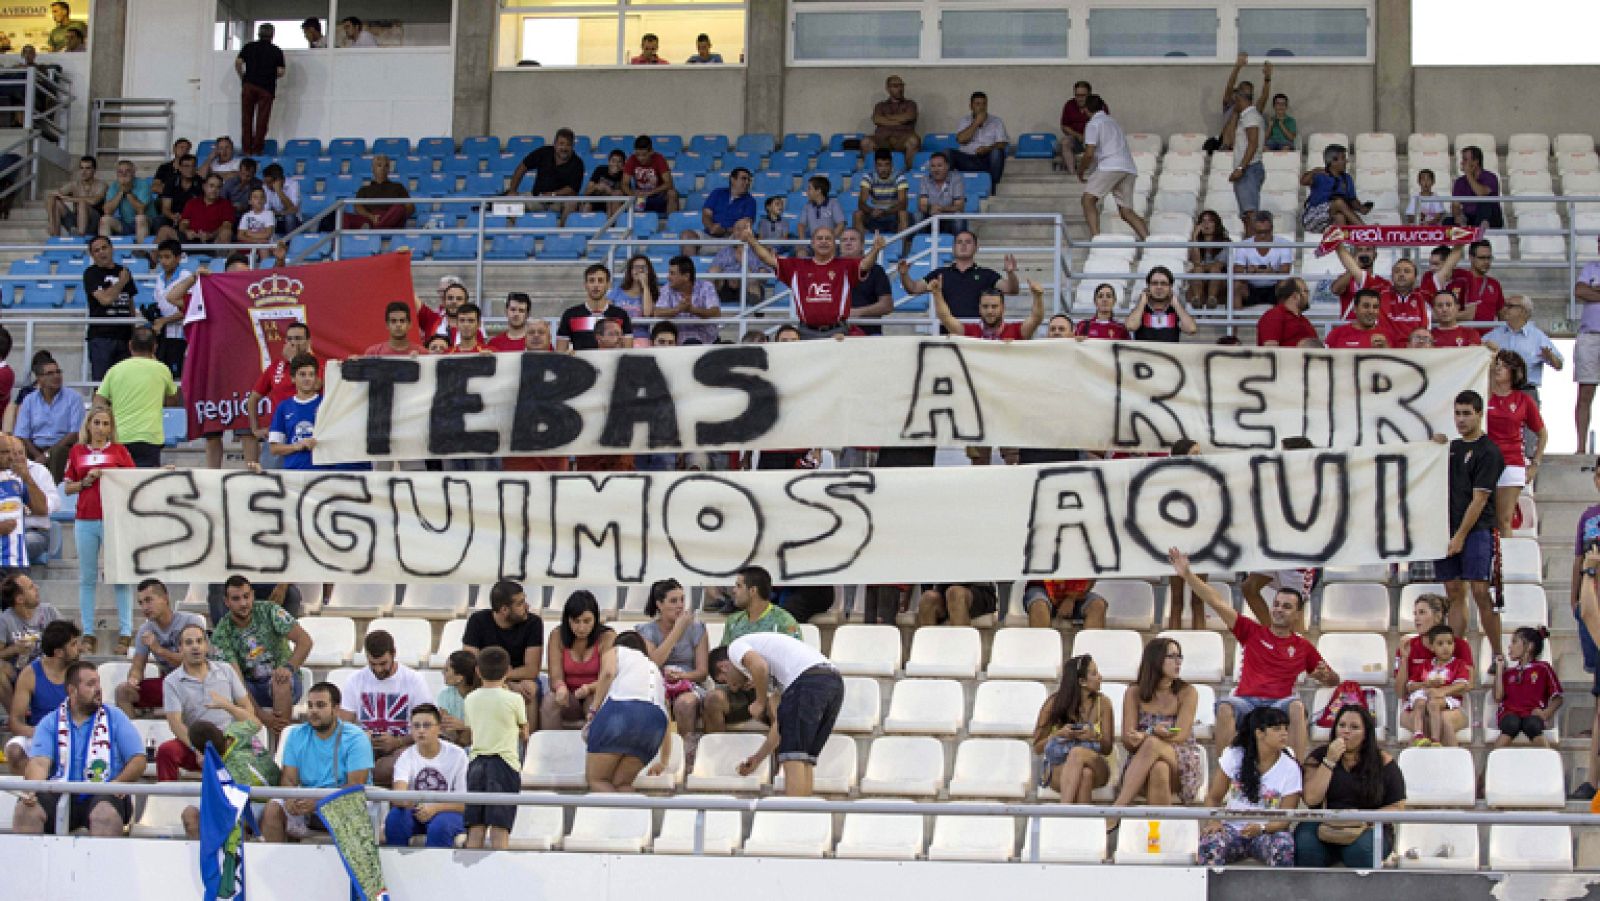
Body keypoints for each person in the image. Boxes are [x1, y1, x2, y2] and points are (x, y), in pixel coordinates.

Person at [1172, 547, 1336, 762]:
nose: (1278, 609)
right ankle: (1226, 772)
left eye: (1286, 607)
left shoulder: (1303, 646)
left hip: (1280, 703)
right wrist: (1188, 575)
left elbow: (1333, 679)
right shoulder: (1252, 632)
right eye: (1276, 604)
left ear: (1297, 614)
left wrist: (1326, 676)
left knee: (1297, 706)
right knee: (1225, 707)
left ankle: (1297, 770)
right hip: (1246, 701)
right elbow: (1216, 602)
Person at [12, 660, 145, 837]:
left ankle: (103, 865)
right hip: (60, 791)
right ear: (72, 691)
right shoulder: (50, 722)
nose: (98, 688)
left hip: (105, 791)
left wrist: (118, 783)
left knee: (103, 813)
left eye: (98, 682)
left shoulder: (116, 717)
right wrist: (32, 790)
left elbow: (138, 760)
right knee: (25, 810)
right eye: (91, 684)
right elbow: (39, 763)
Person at [710, 631, 844, 797]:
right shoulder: (782, 676)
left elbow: (760, 667)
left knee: (792, 757)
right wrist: (758, 758)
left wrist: (759, 701)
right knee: (804, 758)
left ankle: (793, 816)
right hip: (833, 683)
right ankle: (805, 817)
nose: (732, 687)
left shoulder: (735, 647)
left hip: (809, 681)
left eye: (725, 681)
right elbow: (780, 725)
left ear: (723, 666)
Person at [1436, 390, 1505, 654]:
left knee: (1480, 591)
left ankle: (1498, 655)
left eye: (1467, 414)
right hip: (1447, 526)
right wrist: (1435, 448)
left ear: (1479, 414)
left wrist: (1460, 537)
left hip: (1476, 530)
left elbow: (1479, 500)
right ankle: (1453, 657)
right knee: (1453, 591)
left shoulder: (1489, 452)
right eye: (1457, 413)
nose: (1461, 419)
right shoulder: (1450, 448)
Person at [261, 682, 374, 842]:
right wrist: (291, 799)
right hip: (306, 802)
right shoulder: (296, 734)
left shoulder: (356, 737)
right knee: (273, 809)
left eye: (320, 705)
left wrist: (318, 803)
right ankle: (276, 866)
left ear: (335, 709)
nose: (313, 711)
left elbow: (355, 787)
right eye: (310, 705)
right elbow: (289, 779)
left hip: (343, 802)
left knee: (351, 806)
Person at [1295, 705, 1405, 867]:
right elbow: (1311, 799)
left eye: (1354, 727)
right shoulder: (1318, 757)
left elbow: (1397, 807)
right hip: (1325, 822)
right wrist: (1329, 761)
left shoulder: (1383, 761)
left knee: (1360, 851)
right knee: (1306, 846)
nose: (1346, 731)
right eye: (1342, 725)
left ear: (1366, 734)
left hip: (1367, 824)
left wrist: (1363, 818)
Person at [738, 220, 887, 338]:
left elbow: (865, 265)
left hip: (838, 331)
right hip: (806, 332)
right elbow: (768, 259)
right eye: (819, 238)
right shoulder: (797, 266)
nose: (823, 241)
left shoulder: (845, 266)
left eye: (828, 238)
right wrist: (751, 240)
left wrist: (875, 250)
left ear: (834, 244)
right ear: (812, 243)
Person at [211, 573, 312, 735]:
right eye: (236, 599)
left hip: (284, 680)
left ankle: (281, 751)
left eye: (246, 596)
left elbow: (305, 641)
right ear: (226, 602)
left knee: (280, 680)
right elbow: (237, 682)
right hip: (250, 687)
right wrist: (262, 716)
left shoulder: (270, 610)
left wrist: (288, 667)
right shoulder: (222, 632)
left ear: (253, 595)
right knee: (226, 688)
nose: (243, 603)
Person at [1198, 706, 1300, 866]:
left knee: (1283, 845)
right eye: (1277, 729)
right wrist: (1214, 822)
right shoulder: (1235, 755)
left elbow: (1286, 819)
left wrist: (1262, 828)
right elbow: (1213, 797)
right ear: (1259, 733)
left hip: (1267, 831)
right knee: (1210, 843)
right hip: (1231, 828)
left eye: (1286, 728)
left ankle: (1281, 891)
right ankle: (1210, 890)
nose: (1284, 733)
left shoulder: (1291, 768)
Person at [704, 566, 801, 733]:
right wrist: (734, 678)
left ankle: (783, 758)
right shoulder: (733, 621)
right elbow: (724, 656)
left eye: (738, 586)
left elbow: (794, 663)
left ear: (753, 590)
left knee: (776, 708)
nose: (733, 591)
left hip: (773, 690)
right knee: (713, 699)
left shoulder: (784, 621)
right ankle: (718, 756)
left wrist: (760, 677)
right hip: (741, 693)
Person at [154, 623, 252, 780]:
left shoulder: (226, 670)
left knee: (246, 751)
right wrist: (197, 749)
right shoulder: (171, 681)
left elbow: (247, 709)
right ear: (180, 648)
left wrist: (231, 739)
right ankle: (169, 801)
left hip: (228, 739)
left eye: (199, 641)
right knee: (166, 751)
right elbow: (175, 723)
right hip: (195, 742)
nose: (195, 647)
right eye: (189, 643)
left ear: (206, 646)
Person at [1114, 638, 1203, 807]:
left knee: (1153, 744)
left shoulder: (1187, 692)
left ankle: (1118, 809)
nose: (1178, 662)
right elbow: (1128, 739)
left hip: (1181, 761)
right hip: (1143, 765)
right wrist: (1142, 737)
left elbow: (1181, 735)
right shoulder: (1134, 692)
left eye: (1180, 657)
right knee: (1159, 769)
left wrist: (1150, 734)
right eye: (1172, 657)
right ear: (1156, 659)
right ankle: (1161, 831)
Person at [341, 629, 433, 787]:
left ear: (394, 654)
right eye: (372, 664)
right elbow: (343, 724)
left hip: (404, 746)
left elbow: (428, 724)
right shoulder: (355, 680)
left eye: (383, 663)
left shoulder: (413, 680)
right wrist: (362, 738)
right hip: (364, 747)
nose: (378, 669)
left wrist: (398, 741)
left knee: (391, 767)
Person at [180, 691, 278, 838]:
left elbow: (238, 804)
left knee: (233, 822)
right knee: (195, 815)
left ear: (203, 751)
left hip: (265, 802)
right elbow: (257, 723)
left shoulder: (232, 768)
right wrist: (227, 706)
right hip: (251, 801)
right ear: (219, 730)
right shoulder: (235, 730)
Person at [586, 631, 672, 792]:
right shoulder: (653, 669)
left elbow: (608, 673)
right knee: (622, 784)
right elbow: (665, 718)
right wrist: (664, 761)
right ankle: (633, 817)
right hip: (655, 723)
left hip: (622, 711)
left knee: (598, 779)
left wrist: (594, 708)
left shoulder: (616, 651)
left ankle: (614, 817)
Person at [464, 646, 526, 849]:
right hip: (504, 764)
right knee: (500, 828)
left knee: (475, 827)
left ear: (478, 671)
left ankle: (471, 876)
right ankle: (501, 877)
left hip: (476, 763)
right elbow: (524, 731)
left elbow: (471, 727)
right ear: (507, 671)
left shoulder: (470, 699)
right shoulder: (515, 699)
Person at [461, 580, 544, 732]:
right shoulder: (477, 621)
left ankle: (528, 744)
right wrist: (506, 683)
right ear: (505, 609)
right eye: (520, 604)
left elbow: (532, 670)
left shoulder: (533, 623)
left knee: (529, 688)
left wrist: (506, 677)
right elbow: (470, 664)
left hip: (518, 679)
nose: (527, 606)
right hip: (485, 678)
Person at [114, 579, 203, 719]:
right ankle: (134, 736)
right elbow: (137, 666)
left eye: (149, 600)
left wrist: (158, 649)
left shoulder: (191, 622)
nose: (144, 607)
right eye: (141, 603)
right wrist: (133, 679)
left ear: (165, 599)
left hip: (196, 683)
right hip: (169, 684)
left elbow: (192, 663)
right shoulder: (146, 630)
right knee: (123, 692)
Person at [382, 704, 468, 848]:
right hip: (417, 811)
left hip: (448, 811)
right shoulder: (406, 756)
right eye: (416, 726)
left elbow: (464, 802)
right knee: (395, 818)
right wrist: (413, 805)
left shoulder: (457, 754)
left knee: (440, 826)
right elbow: (399, 794)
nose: (421, 730)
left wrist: (435, 808)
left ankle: (437, 870)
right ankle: (400, 867)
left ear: (439, 728)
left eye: (427, 725)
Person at [1032, 655, 1114, 803]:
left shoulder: (1104, 703)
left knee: (1077, 753)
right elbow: (1037, 747)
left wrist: (1094, 736)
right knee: (1085, 775)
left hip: (1096, 764)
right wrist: (1058, 735)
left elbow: (1107, 748)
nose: (1100, 677)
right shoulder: (1054, 703)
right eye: (1094, 673)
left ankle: (1064, 812)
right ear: (1082, 681)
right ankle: (1081, 824)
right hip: (1059, 766)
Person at [637, 578, 709, 746]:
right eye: (673, 601)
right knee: (657, 701)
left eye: (682, 600)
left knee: (685, 703)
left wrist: (682, 676)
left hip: (689, 684)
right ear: (659, 605)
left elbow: (702, 672)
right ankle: (658, 752)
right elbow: (654, 662)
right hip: (657, 683)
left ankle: (687, 751)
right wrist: (677, 630)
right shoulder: (645, 631)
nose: (680, 605)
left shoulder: (698, 629)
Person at [896, 229, 1018, 325]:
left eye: (968, 242)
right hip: (946, 332)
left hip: (977, 332)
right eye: (959, 242)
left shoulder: (987, 274)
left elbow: (1012, 289)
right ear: (953, 248)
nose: (963, 245)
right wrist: (904, 274)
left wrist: (1011, 273)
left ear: (976, 248)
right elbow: (913, 288)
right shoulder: (940, 274)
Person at [3, 619, 78, 774]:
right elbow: (15, 721)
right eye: (73, 645)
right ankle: (33, 794)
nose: (79, 649)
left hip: (74, 733)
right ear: (58, 652)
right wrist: (38, 732)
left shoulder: (80, 672)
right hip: (39, 733)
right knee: (15, 750)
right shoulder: (30, 673)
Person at [1486, 350, 1546, 536]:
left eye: (1504, 366)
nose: (1498, 368)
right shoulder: (1483, 395)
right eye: (1497, 364)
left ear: (1515, 371)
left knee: (1504, 519)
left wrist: (1535, 464)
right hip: (1484, 462)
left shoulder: (1524, 400)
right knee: (1482, 518)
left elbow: (1542, 434)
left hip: (1511, 463)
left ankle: (1505, 563)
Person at [542, 590, 616, 729]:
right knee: (549, 700)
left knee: (595, 702)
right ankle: (550, 745)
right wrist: (560, 687)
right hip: (569, 696)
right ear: (568, 620)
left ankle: (595, 747)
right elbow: (555, 675)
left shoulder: (607, 637)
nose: (581, 628)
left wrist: (588, 688)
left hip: (595, 692)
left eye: (587, 621)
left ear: (596, 619)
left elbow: (607, 675)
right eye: (576, 621)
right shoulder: (557, 635)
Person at [1078, 94, 1148, 239]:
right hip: (1128, 168)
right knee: (1126, 211)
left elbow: (1089, 153)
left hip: (1110, 165)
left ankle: (1096, 239)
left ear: (1085, 109)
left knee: (1088, 200)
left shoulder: (1093, 124)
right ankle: (1150, 241)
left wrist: (1081, 170)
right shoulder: (1113, 122)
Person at [246, 320, 312, 465]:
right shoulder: (276, 366)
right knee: (270, 482)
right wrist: (255, 428)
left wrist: (295, 361)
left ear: (308, 342)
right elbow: (253, 399)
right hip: (278, 434)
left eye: (298, 339)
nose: (293, 343)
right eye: (290, 339)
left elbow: (311, 387)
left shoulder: (316, 365)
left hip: (306, 432)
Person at [1401, 624, 1472, 747]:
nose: (1446, 647)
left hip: (1446, 702)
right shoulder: (1425, 665)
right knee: (1421, 707)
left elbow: (1463, 684)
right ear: (1432, 647)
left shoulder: (1458, 664)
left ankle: (1436, 741)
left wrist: (1442, 691)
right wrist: (1425, 684)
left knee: (1437, 709)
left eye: (1449, 643)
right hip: (1424, 701)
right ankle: (1419, 742)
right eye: (1440, 644)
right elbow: (1410, 685)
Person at [1483, 296, 1563, 402]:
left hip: (1527, 392)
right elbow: (1473, 353)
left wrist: (1550, 357)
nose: (1504, 309)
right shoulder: (1493, 335)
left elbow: (1559, 365)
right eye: (1505, 305)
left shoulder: (1537, 336)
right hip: (1498, 392)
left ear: (1523, 311)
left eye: (1510, 306)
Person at [14, 354, 81, 480]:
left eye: (58, 372)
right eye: (50, 373)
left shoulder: (73, 398)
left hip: (62, 447)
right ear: (39, 379)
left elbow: (74, 434)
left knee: (58, 453)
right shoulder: (29, 400)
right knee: (16, 452)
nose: (56, 376)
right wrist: (38, 455)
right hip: (35, 448)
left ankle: (54, 493)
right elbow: (22, 434)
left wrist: (47, 454)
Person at [81, 235, 140, 380]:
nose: (102, 252)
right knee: (101, 386)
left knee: (125, 385)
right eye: (97, 250)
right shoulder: (91, 274)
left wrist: (133, 334)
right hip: (101, 337)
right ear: (92, 255)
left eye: (104, 248)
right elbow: (105, 300)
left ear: (112, 249)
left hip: (125, 337)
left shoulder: (125, 272)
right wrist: (121, 282)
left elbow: (130, 304)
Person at [1492, 626, 1561, 749]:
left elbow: (1558, 698)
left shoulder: (1543, 668)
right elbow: (1498, 697)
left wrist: (1546, 713)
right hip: (1509, 713)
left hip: (1532, 714)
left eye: (1514, 642)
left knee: (1532, 724)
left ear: (1529, 646)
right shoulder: (1508, 673)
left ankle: (1549, 762)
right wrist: (1499, 669)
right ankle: (1490, 764)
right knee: (1511, 723)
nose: (1509, 647)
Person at [0, 573, 58, 712]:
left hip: (49, 669)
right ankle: (17, 716)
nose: (37, 588)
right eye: (31, 587)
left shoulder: (49, 611)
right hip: (19, 671)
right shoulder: (5, 620)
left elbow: (68, 639)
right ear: (20, 599)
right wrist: (15, 649)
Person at [267, 354, 331, 470]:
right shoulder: (284, 407)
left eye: (311, 374)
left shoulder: (326, 404)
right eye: (302, 374)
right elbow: (274, 448)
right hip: (293, 474)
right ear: (292, 378)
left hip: (322, 474)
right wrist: (297, 446)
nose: (307, 378)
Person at [932, 276, 1044, 341]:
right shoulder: (967, 331)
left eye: (994, 306)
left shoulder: (1017, 330)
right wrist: (937, 293)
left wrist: (1038, 297)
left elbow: (1036, 318)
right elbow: (945, 318)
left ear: (1003, 308)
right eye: (985, 306)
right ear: (979, 309)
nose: (990, 311)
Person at [505, 127, 585, 211]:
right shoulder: (543, 152)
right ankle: (519, 224)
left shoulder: (578, 163)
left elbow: (572, 190)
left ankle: (561, 225)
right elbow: (522, 167)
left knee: (572, 203)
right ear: (555, 144)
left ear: (573, 146)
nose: (564, 148)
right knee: (510, 205)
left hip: (559, 201)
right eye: (561, 144)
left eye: (568, 145)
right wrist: (512, 190)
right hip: (536, 198)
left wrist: (553, 194)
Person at [558, 263, 634, 351]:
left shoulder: (621, 315)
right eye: (591, 280)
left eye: (600, 280)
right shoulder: (570, 314)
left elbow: (627, 351)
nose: (596, 285)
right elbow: (561, 352)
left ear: (608, 285)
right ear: (585, 285)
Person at [148, 238, 196, 377]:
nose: (163, 261)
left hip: (181, 335)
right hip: (163, 336)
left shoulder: (186, 277)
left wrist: (164, 320)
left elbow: (190, 308)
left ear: (178, 258)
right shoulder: (159, 278)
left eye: (167, 257)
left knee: (178, 377)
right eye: (160, 257)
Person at [0, 433, 45, 579]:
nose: (11, 457)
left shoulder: (17, 478)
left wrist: (28, 478)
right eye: (5, 452)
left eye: (11, 452)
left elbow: (41, 509)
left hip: (18, 562)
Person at [235, 23, 285, 156]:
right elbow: (281, 71)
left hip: (249, 85)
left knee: (247, 119)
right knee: (262, 120)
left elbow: (238, 63)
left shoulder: (249, 47)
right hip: (266, 88)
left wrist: (243, 77)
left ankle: (246, 150)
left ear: (259, 33)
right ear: (272, 35)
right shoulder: (276, 51)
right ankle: (257, 150)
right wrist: (270, 76)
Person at [649, 255, 721, 345]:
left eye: (672, 273)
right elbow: (657, 312)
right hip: (678, 344)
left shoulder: (706, 286)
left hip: (708, 342)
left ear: (686, 276)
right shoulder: (667, 288)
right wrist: (678, 309)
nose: (668, 277)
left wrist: (692, 309)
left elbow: (715, 312)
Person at [1230, 211, 1293, 309]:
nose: (1263, 236)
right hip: (1251, 288)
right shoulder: (1244, 245)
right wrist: (1248, 272)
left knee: (1285, 284)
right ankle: (1233, 323)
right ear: (1254, 230)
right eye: (1259, 232)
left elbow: (1286, 271)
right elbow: (1237, 270)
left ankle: (1283, 321)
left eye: (1266, 232)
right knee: (1237, 285)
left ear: (1272, 229)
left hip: (1274, 288)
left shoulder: (1283, 243)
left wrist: (1271, 272)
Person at [1300, 144, 1369, 232]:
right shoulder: (1320, 175)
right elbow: (1303, 181)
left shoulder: (1347, 178)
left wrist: (1361, 208)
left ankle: (1359, 244)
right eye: (1343, 158)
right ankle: (1366, 231)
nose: (1346, 161)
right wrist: (1314, 171)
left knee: (1340, 217)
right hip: (1313, 219)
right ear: (1333, 161)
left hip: (1331, 220)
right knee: (1339, 203)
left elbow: (1353, 200)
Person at [860, 75, 920, 170]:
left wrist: (886, 119)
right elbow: (877, 119)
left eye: (901, 85)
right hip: (882, 140)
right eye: (895, 86)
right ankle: (871, 171)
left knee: (913, 141)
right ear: (888, 88)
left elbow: (909, 116)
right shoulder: (880, 105)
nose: (900, 88)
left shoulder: (910, 104)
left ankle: (909, 173)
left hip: (903, 139)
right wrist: (900, 120)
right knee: (865, 141)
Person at [952, 91, 1009, 188]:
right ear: (971, 106)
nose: (981, 107)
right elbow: (961, 140)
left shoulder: (996, 121)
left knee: (997, 153)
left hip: (987, 159)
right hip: (967, 159)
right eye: (977, 104)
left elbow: (1002, 144)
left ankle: (993, 186)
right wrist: (976, 122)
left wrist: (988, 149)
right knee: (947, 153)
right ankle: (947, 188)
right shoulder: (964, 120)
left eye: (984, 104)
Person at [1125, 266, 1197, 341]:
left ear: (1170, 286)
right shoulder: (1141, 307)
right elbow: (1130, 326)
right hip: (1144, 352)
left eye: (1163, 283)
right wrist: (1142, 302)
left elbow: (1191, 329)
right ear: (1148, 286)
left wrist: (1176, 303)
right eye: (1154, 283)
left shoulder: (1176, 309)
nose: (1159, 287)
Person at [1228, 82, 1266, 226]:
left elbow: (1253, 143)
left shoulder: (1251, 116)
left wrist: (1240, 168)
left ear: (1239, 99)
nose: (1233, 105)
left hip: (1248, 168)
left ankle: (1252, 245)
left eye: (1234, 101)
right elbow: (1229, 140)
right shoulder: (1244, 117)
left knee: (1250, 214)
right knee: (1246, 215)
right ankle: (1248, 243)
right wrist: (1234, 115)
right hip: (1246, 168)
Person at [1576, 239, 1600, 453]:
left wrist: (1595, 291)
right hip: (1590, 335)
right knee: (1585, 392)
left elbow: (1587, 292)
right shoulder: (1590, 267)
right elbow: (1579, 291)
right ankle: (1581, 448)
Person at [342, 154, 410, 230]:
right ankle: (377, 226)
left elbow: (410, 207)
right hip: (370, 218)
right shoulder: (364, 189)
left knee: (399, 208)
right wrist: (371, 216)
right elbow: (358, 207)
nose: (383, 168)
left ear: (389, 169)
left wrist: (396, 215)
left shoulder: (398, 186)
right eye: (379, 165)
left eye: (386, 166)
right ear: (372, 168)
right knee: (342, 216)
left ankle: (376, 227)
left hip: (392, 220)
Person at [1449, 239, 1505, 327]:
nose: (1486, 262)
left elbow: (1502, 316)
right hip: (1464, 337)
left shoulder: (1495, 284)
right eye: (1482, 258)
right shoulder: (1458, 281)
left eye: (1489, 258)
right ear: (1471, 257)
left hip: (1489, 338)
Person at [46, 155, 105, 237]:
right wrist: (51, 222)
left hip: (94, 223)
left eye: (87, 168)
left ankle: (79, 238)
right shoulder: (74, 184)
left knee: (82, 204)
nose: (83, 172)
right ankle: (55, 236)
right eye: (82, 168)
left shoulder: (101, 185)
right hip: (76, 220)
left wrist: (68, 198)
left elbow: (93, 201)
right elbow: (52, 196)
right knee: (56, 203)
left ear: (94, 170)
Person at [854, 149, 909, 237]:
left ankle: (899, 249)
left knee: (903, 214)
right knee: (858, 214)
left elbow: (903, 204)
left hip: (892, 214)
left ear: (891, 165)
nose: (883, 169)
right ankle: (861, 248)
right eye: (880, 165)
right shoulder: (868, 177)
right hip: (874, 213)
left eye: (887, 165)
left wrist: (885, 212)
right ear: (875, 166)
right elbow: (861, 203)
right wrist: (872, 211)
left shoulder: (899, 177)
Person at [96, 160, 151, 243]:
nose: (124, 174)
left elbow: (141, 210)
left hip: (146, 223)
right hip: (125, 223)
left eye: (127, 171)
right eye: (120, 172)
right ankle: (107, 251)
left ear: (133, 172)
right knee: (105, 220)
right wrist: (121, 191)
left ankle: (141, 252)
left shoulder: (143, 184)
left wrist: (128, 192)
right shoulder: (114, 186)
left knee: (140, 218)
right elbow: (107, 211)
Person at [1187, 210, 1231, 310]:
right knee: (1198, 270)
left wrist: (1200, 267)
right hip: (1200, 279)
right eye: (1203, 221)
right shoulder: (1195, 243)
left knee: (1213, 269)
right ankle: (1197, 299)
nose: (1206, 224)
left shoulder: (1225, 242)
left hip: (1220, 280)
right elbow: (1196, 262)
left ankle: (1212, 298)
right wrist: (1194, 237)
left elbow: (1219, 265)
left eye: (1210, 221)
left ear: (1216, 224)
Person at [1451, 145, 1503, 229]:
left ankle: (1481, 228)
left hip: (1490, 218)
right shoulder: (1459, 182)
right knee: (1447, 221)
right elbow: (1455, 205)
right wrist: (1458, 216)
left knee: (1484, 202)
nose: (1462, 163)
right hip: (1469, 217)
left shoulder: (1490, 177)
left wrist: (1468, 174)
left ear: (1475, 162)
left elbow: (1481, 193)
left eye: (1465, 159)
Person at [155, 153, 202, 243]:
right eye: (186, 166)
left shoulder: (201, 183)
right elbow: (165, 209)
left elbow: (202, 208)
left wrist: (185, 219)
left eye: (193, 166)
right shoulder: (171, 182)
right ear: (179, 168)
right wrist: (173, 216)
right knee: (159, 220)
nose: (190, 169)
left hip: (192, 219)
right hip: (173, 217)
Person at [1257, 278, 1318, 348]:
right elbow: (1271, 349)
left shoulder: (1304, 320)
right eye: (1306, 291)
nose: (1308, 295)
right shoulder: (1274, 315)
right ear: (1295, 296)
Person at [625, 135, 678, 214]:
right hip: (641, 197)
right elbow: (624, 184)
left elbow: (669, 184)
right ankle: (638, 223)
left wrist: (649, 193)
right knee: (637, 202)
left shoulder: (659, 158)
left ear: (651, 151)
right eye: (637, 154)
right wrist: (633, 194)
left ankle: (672, 223)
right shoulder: (632, 159)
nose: (640, 158)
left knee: (672, 193)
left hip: (658, 196)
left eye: (644, 155)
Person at [178, 173, 236, 245]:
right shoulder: (192, 202)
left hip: (213, 241)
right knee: (165, 231)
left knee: (226, 232)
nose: (214, 190)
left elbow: (227, 226)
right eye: (211, 186)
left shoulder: (226, 204)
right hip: (190, 238)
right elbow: (183, 223)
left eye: (218, 187)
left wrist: (210, 235)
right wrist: (186, 231)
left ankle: (221, 257)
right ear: (204, 187)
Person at [436, 649, 479, 745]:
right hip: (456, 744)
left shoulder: (481, 697)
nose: (442, 672)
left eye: (447, 670)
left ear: (459, 678)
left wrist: (464, 726)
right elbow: (447, 727)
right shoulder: (446, 695)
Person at [917, 152, 966, 234]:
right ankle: (921, 244)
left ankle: (958, 243)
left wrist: (942, 209)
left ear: (947, 166)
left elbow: (959, 206)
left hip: (949, 215)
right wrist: (930, 209)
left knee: (959, 218)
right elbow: (922, 205)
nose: (936, 169)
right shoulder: (925, 179)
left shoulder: (956, 179)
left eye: (939, 166)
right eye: (933, 166)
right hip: (930, 215)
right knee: (918, 216)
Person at [701, 168, 755, 240]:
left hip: (732, 238)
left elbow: (746, 225)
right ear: (732, 179)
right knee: (687, 234)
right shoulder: (717, 193)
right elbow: (706, 214)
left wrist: (724, 230)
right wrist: (711, 227)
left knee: (741, 237)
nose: (747, 182)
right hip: (709, 235)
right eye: (744, 179)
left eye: (749, 180)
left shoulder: (750, 201)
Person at [1324, 289, 1390, 349]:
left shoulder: (1388, 335)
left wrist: (1385, 349)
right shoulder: (1337, 334)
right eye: (1366, 306)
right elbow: (1324, 360)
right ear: (1355, 309)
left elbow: (1395, 361)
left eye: (1375, 307)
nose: (1371, 311)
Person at [1058, 81, 1097, 175]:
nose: (1079, 98)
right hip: (1076, 139)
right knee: (1065, 142)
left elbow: (1105, 125)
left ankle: (1094, 175)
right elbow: (1064, 126)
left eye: (1083, 95)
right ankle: (1073, 174)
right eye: (1077, 95)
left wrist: (1089, 136)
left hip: (1094, 139)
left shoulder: (1098, 105)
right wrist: (1078, 135)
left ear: (1089, 94)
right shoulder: (1069, 105)